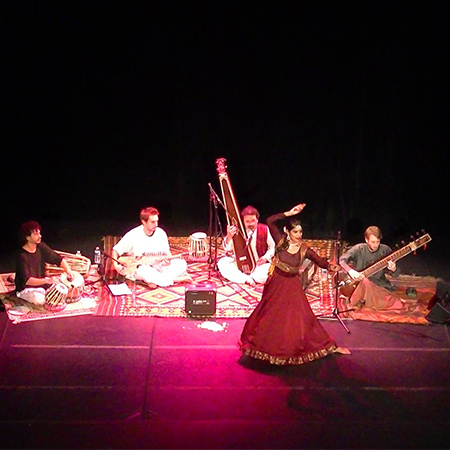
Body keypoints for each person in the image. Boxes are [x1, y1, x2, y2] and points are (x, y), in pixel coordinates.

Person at [238, 203, 350, 365]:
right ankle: (263, 348)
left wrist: (331, 266)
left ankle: (328, 346)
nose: (299, 235)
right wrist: (289, 213)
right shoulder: (280, 241)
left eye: (300, 231)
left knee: (304, 317)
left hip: (292, 285)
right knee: (269, 315)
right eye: (295, 231)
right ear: (287, 232)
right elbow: (270, 221)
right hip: (276, 283)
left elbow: (320, 261)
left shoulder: (304, 249)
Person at [112, 206, 191, 288]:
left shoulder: (161, 233)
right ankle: (175, 279)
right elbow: (115, 250)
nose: (156, 225)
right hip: (142, 267)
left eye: (157, 221)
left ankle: (157, 280)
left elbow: (167, 255)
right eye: (152, 222)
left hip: (159, 266)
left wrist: (166, 261)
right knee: (144, 272)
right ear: (144, 222)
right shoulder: (134, 234)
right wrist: (115, 264)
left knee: (181, 264)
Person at [338, 225, 409, 311]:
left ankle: (369, 300)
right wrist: (351, 271)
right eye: (373, 242)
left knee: (395, 303)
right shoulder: (359, 249)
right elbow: (342, 260)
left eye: (377, 241)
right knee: (365, 282)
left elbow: (396, 274)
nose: (376, 245)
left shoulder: (385, 250)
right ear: (366, 240)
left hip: (378, 284)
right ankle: (380, 300)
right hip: (359, 284)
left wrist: (393, 269)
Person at [15, 221, 75, 306]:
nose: (40, 236)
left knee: (63, 286)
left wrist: (69, 271)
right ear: (27, 237)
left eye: (39, 233)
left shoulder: (40, 247)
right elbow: (27, 280)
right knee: (41, 300)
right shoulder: (21, 256)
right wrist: (47, 280)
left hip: (42, 286)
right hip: (26, 290)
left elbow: (58, 259)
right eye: (36, 234)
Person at [218, 205, 275, 286]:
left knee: (272, 270)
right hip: (239, 263)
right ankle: (247, 279)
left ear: (257, 220)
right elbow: (227, 249)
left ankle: (245, 278)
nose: (250, 224)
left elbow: (272, 248)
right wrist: (229, 237)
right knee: (222, 263)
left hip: (258, 265)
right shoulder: (237, 230)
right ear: (243, 221)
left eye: (253, 221)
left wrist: (265, 258)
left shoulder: (264, 229)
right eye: (247, 221)